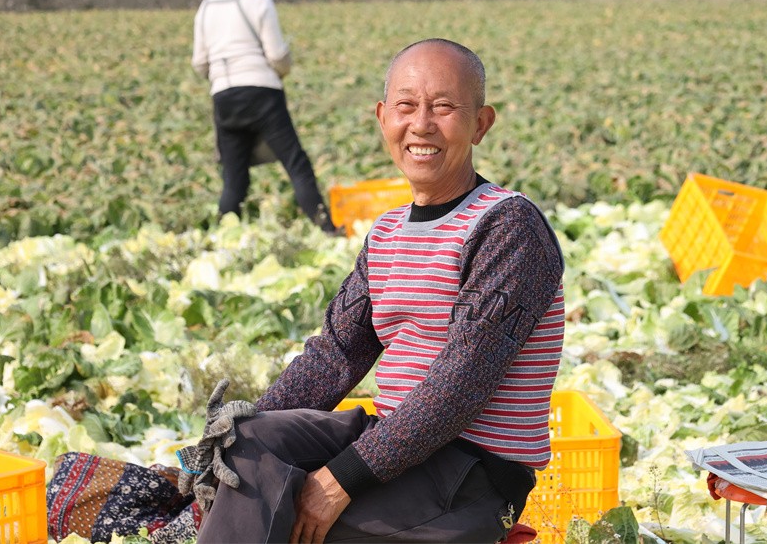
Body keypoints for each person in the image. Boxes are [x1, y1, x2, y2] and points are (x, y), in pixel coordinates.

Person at [192, 38, 566, 544]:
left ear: (480, 124)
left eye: (444, 107)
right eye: (406, 106)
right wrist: (220, 450)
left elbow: (459, 386)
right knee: (245, 442)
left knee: (285, 522)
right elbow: (336, 355)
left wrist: (338, 480)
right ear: (382, 117)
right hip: (393, 446)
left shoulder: (508, 227)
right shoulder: (388, 232)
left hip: (471, 474)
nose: (422, 124)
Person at [192, 0, 335, 232]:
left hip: (223, 96)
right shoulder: (258, 2)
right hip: (261, 93)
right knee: (296, 163)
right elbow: (277, 56)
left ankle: (221, 236)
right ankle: (326, 229)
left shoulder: (206, 6)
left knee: (234, 176)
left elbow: (199, 63)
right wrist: (283, 69)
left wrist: (222, 78)